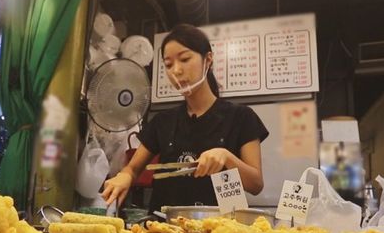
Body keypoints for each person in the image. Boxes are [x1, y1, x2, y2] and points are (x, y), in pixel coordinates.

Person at [102, 24, 269, 212]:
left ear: (208, 60)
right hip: (164, 228)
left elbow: (255, 185)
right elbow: (132, 169)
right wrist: (124, 176)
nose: (176, 71)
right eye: (169, 64)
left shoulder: (241, 117)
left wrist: (227, 157)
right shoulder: (162, 121)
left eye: (185, 59)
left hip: (220, 231)